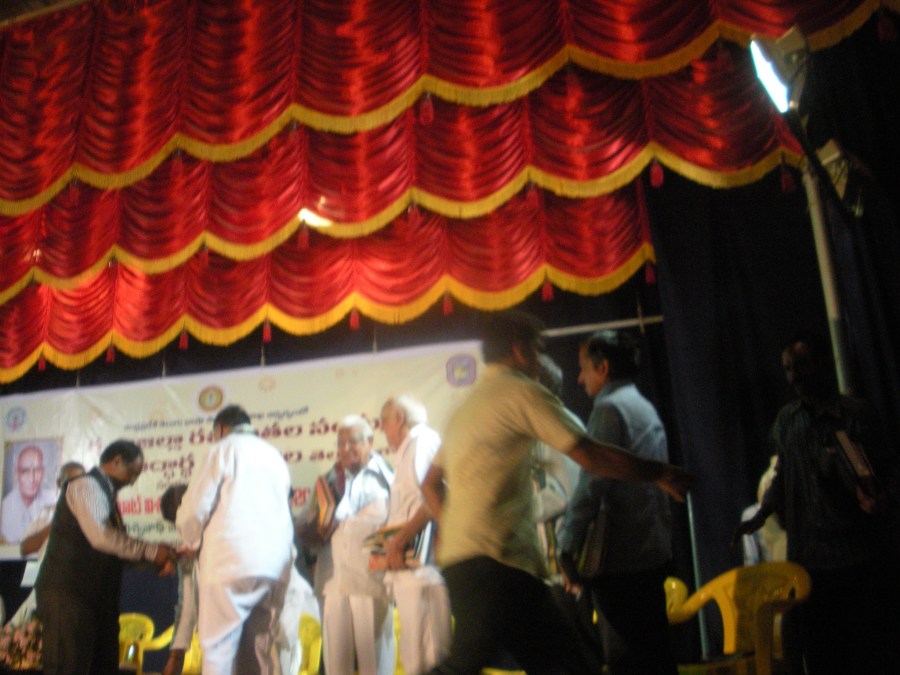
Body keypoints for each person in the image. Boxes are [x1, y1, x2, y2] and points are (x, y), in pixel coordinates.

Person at [421, 310, 692, 675]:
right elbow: (589, 455)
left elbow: (430, 483)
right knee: (490, 664)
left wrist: (454, 527)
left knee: (557, 665)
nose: (539, 359)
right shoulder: (520, 391)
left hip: (468, 563)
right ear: (520, 350)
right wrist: (659, 473)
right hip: (498, 562)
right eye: (536, 349)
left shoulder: (466, 407)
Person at [734, 334, 900, 674]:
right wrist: (761, 514)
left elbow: (888, 469)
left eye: (801, 366)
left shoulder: (854, 414)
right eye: (788, 369)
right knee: (824, 655)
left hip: (858, 558)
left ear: (824, 364)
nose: (794, 376)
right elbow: (783, 475)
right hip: (810, 565)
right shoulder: (787, 420)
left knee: (869, 653)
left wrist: (883, 499)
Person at [558, 330, 677, 675]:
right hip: (652, 552)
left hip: (621, 559)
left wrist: (567, 543)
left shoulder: (609, 409)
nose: (580, 379)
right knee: (655, 657)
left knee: (626, 659)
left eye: (584, 369)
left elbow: (593, 482)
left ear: (603, 368)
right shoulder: (644, 407)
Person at [35, 440, 175, 675]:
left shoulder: (105, 495)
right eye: (132, 473)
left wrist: (156, 562)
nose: (132, 481)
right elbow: (101, 537)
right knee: (68, 667)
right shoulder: (86, 486)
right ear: (116, 461)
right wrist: (152, 552)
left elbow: (113, 552)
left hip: (96, 601)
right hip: (69, 597)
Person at [176, 405, 294, 675]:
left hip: (230, 563)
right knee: (257, 653)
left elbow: (194, 510)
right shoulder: (274, 455)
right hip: (275, 565)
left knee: (218, 651)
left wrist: (189, 539)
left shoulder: (221, 449)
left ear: (220, 429)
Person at [161, 482, 315, 675]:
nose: (184, 531)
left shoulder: (239, 526)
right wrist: (176, 656)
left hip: (278, 616)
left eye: (186, 522)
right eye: (179, 526)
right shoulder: (188, 554)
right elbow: (188, 606)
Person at [379, 395, 451, 675]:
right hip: (410, 566)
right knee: (415, 656)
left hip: (422, 568)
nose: (383, 430)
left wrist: (399, 541)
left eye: (384, 422)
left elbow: (434, 496)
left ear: (399, 419)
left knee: (426, 658)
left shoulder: (422, 442)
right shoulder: (409, 448)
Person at [322, 415, 396, 675]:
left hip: (369, 579)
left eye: (352, 442)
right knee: (336, 660)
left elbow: (395, 524)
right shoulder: (335, 479)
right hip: (337, 579)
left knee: (372, 661)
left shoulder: (385, 476)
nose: (345, 449)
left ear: (370, 442)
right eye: (340, 443)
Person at [7, 462, 85, 628]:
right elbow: (25, 548)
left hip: (79, 592)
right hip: (47, 586)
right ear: (59, 483)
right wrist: (57, 522)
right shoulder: (47, 512)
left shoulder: (93, 513)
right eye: (70, 482)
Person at [2, 445, 58, 544]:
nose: (32, 479)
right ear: (16, 474)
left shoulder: (54, 499)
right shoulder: (4, 507)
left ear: (43, 472)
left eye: (37, 470)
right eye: (25, 471)